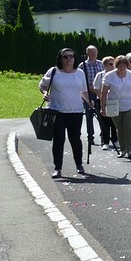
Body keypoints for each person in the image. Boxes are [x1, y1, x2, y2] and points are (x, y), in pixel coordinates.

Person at [39, 49, 89, 179]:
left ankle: (79, 164)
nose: (68, 59)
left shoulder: (80, 73)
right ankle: (58, 168)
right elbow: (42, 85)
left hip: (76, 111)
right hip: (57, 111)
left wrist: (89, 102)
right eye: (65, 57)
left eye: (71, 56)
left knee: (75, 139)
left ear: (74, 58)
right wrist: (45, 93)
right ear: (60, 59)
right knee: (58, 140)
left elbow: (84, 91)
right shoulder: (54, 71)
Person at [98, 55, 131, 160]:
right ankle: (123, 149)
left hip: (130, 104)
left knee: (129, 127)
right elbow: (104, 92)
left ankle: (130, 150)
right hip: (115, 104)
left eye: (124, 66)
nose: (122, 68)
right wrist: (103, 107)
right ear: (116, 66)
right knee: (120, 128)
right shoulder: (109, 76)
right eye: (120, 66)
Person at [79, 45, 105, 151]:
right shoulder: (83, 65)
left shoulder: (101, 64)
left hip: (100, 93)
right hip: (88, 93)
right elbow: (81, 80)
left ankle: (104, 137)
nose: (94, 53)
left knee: (102, 115)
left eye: (95, 51)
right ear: (87, 54)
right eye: (92, 52)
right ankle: (90, 136)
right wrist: (89, 89)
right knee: (89, 115)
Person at [94, 55, 117, 151]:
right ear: (105, 65)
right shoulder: (100, 75)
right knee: (104, 122)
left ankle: (115, 140)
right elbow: (96, 88)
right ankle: (105, 142)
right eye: (110, 64)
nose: (113, 66)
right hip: (102, 101)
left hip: (114, 101)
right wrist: (102, 98)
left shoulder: (116, 75)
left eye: (114, 64)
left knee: (114, 122)